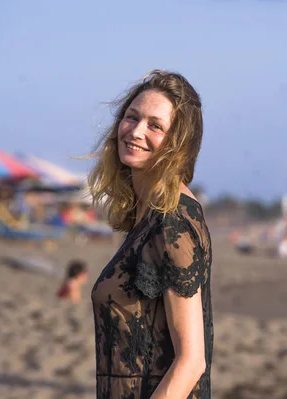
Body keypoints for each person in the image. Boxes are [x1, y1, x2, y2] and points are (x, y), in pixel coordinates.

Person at [88, 70, 212, 398]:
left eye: (155, 125)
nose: (136, 131)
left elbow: (192, 361)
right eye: (131, 117)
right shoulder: (149, 212)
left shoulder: (173, 221)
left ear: (178, 143)